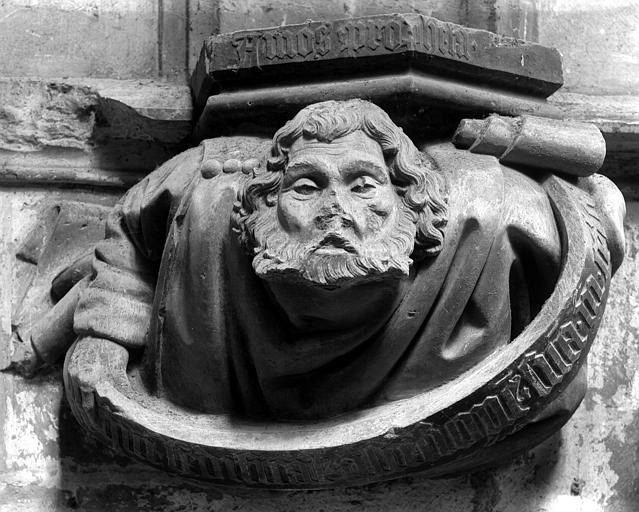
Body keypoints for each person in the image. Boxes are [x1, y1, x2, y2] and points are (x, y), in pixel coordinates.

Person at [69, 99, 623, 420]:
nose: (336, 209)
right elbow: (127, 235)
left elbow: (593, 223)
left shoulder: (492, 221)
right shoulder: (207, 200)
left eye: (363, 186)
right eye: (307, 186)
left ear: (409, 199)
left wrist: (601, 213)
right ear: (262, 205)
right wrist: (103, 338)